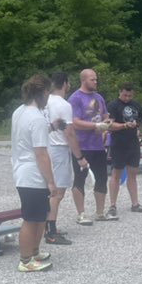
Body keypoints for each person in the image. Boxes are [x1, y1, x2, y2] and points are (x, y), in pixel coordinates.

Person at [11, 74, 58, 272]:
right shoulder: (37, 118)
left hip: (22, 170)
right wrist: (51, 181)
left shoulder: (19, 112)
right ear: (44, 92)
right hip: (33, 175)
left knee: (40, 216)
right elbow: (41, 154)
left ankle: (35, 250)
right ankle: (25, 260)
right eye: (49, 92)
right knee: (31, 219)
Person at [44, 72, 88, 246]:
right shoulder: (64, 105)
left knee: (47, 189)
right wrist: (80, 157)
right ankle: (51, 232)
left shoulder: (43, 101)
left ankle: (46, 225)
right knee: (57, 192)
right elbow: (69, 133)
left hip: (44, 148)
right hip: (58, 149)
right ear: (65, 84)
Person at [69, 68, 112, 223]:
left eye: (96, 79)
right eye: (92, 79)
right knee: (80, 178)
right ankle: (81, 214)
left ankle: (100, 212)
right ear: (83, 80)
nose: (95, 82)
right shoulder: (75, 98)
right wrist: (95, 126)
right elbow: (74, 122)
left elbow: (105, 116)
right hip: (82, 145)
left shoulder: (99, 97)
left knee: (101, 178)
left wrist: (107, 123)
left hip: (98, 145)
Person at [107, 82, 142, 214]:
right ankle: (112, 205)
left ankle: (135, 204)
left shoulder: (136, 105)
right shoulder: (113, 105)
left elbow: (140, 121)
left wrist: (139, 125)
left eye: (129, 95)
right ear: (120, 92)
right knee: (116, 174)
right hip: (118, 143)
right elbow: (109, 125)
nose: (127, 98)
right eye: (125, 95)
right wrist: (125, 126)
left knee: (133, 174)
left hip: (133, 143)